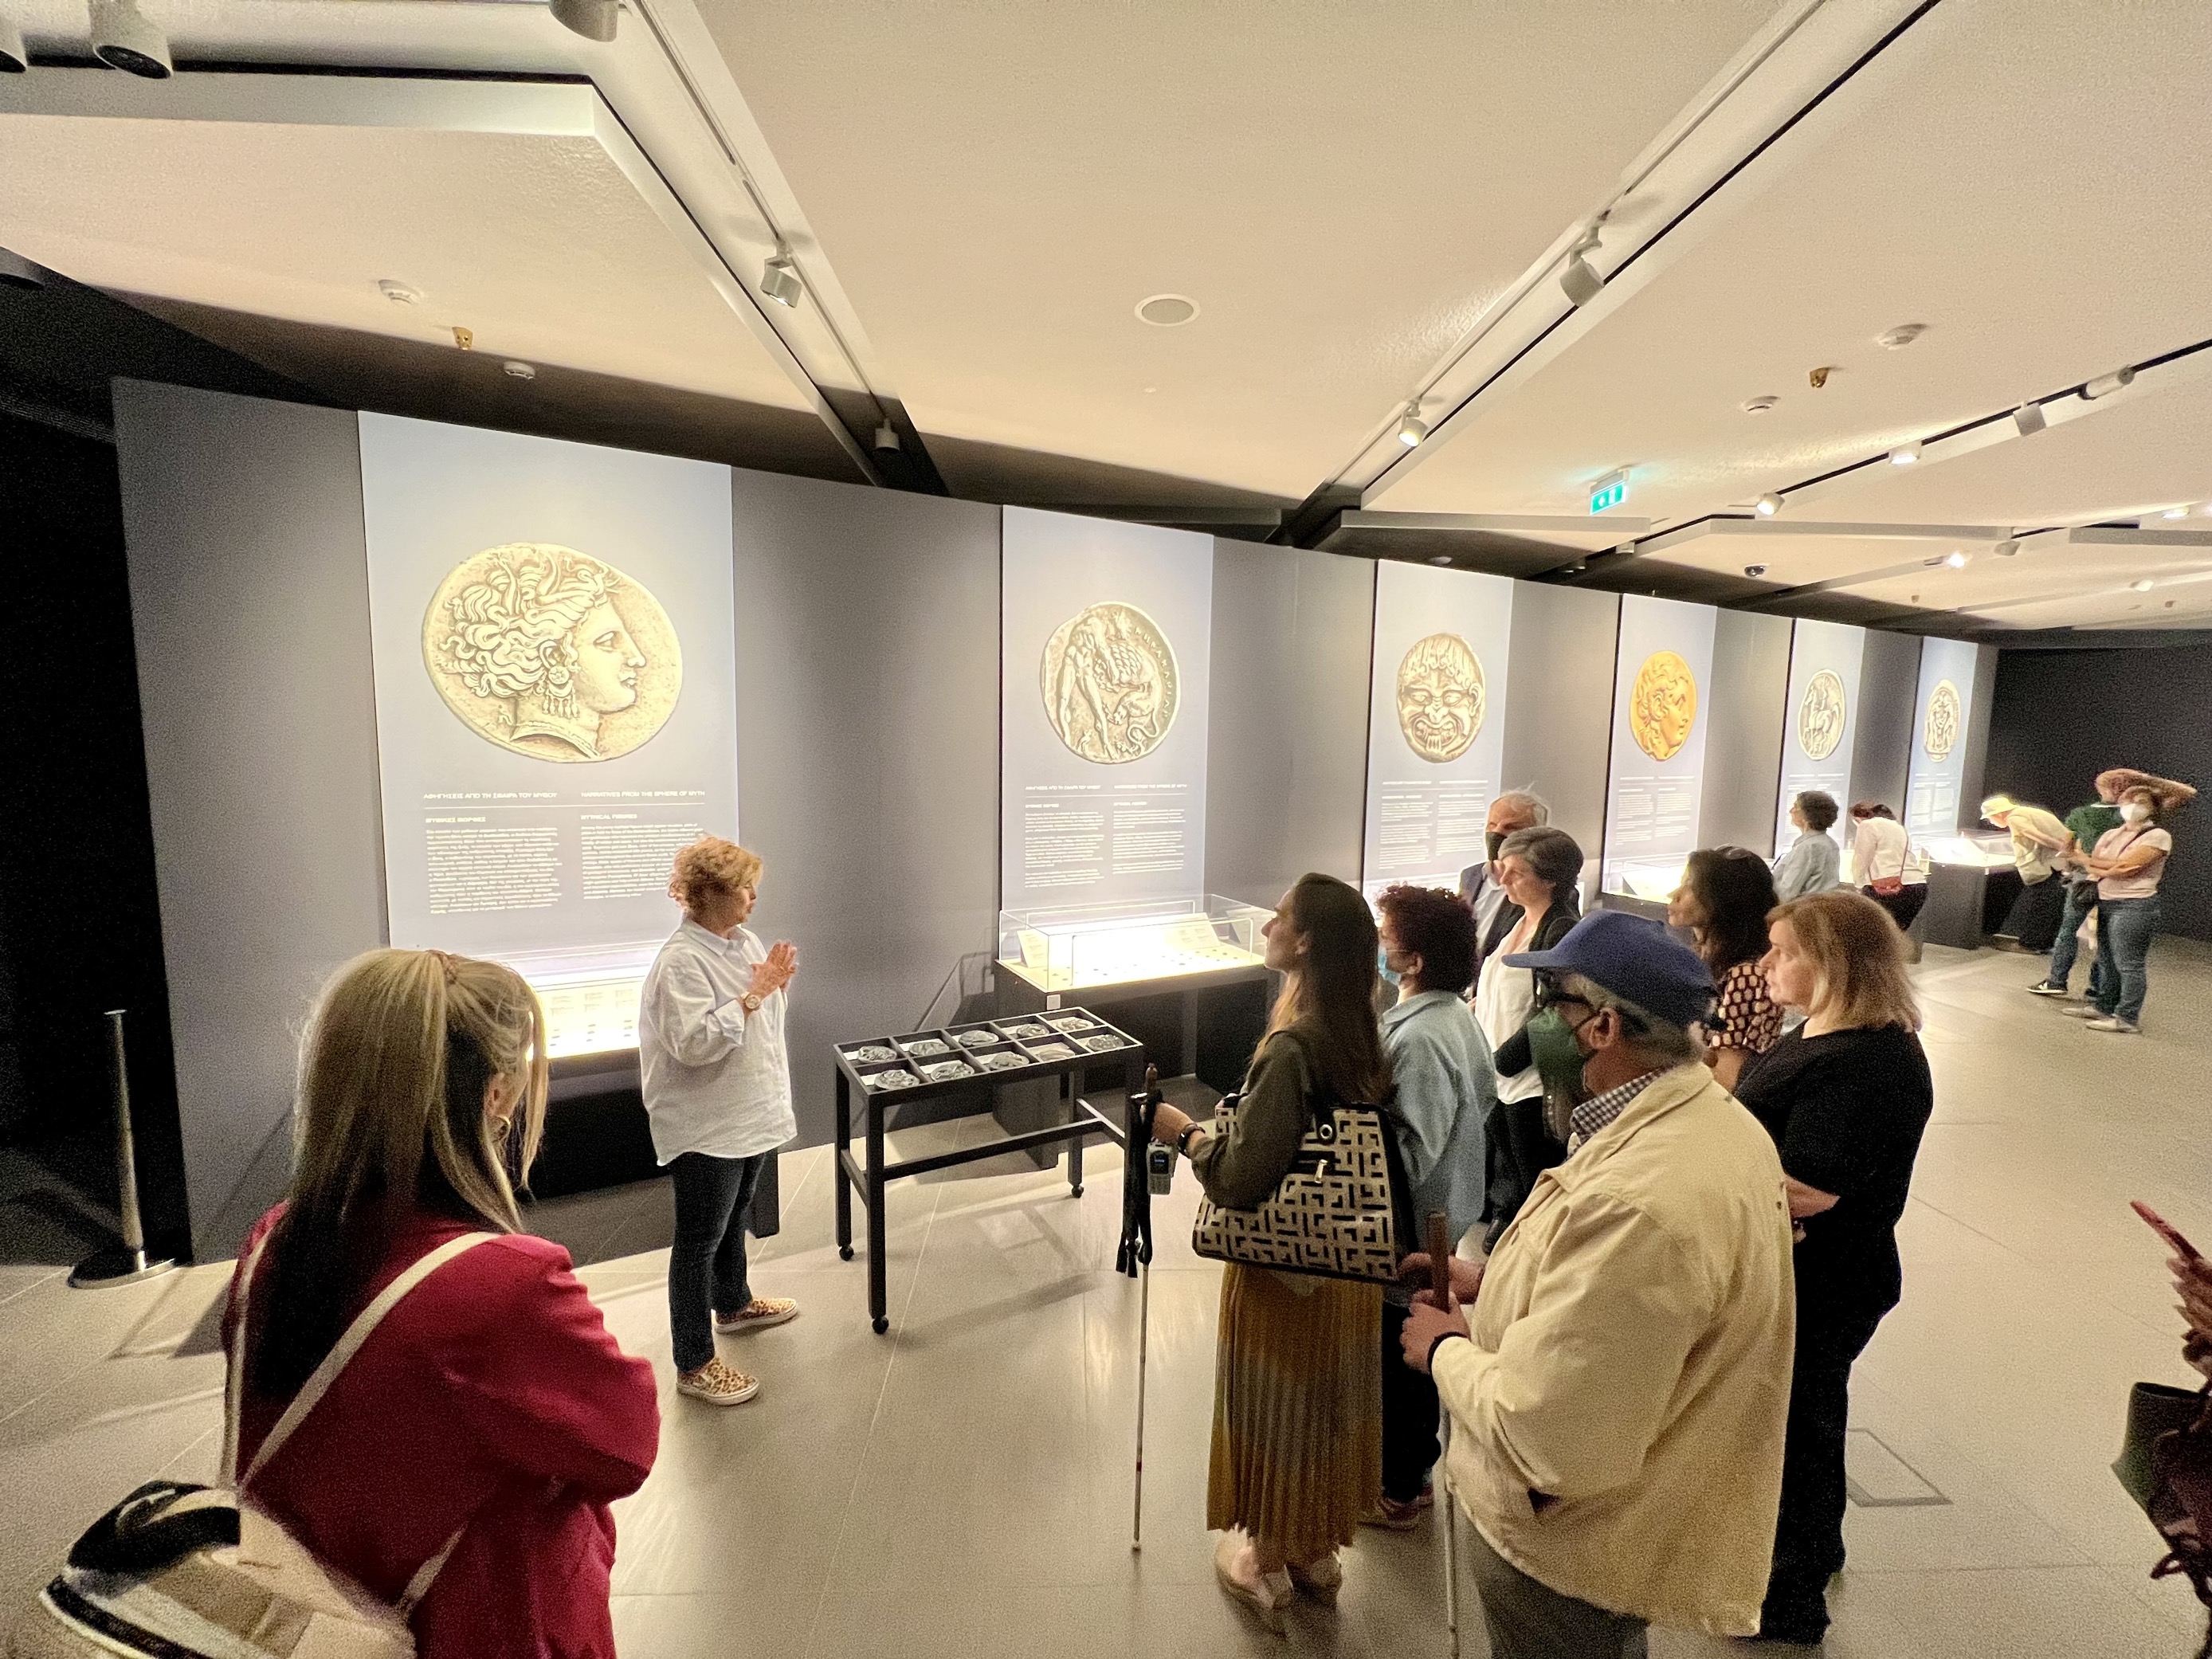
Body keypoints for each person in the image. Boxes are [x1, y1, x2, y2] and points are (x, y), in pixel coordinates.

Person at [222, 949, 659, 1659]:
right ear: (497, 1096)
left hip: (309, 1621)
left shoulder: (272, 1242)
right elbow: (624, 1445)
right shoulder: (505, 1285)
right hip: (476, 1623)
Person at [1398, 911, 1794, 1656]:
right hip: (1629, 1499)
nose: (1540, 1024)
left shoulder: (1640, 1202)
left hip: (1570, 1544)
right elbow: (1619, 1310)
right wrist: (1498, 1280)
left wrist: (1446, 1348)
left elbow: (1547, 1431)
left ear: (1605, 1027)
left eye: (1552, 1005)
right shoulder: (1710, 1121)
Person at [1148, 873, 1390, 1631]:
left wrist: (1186, 1135)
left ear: (1308, 938)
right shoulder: (1362, 1022)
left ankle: (1266, 1559)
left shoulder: (1291, 1044)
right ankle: (1316, 1550)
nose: (1266, 930)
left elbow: (1246, 1175)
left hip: (1285, 1273)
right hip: (1344, 1264)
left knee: (1280, 1408)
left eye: (1279, 919)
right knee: (1329, 1406)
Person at [1735, 890, 1934, 1644]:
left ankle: (1791, 1596)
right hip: (1813, 1275)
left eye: (1784, 951)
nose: (1768, 964)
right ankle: (1808, 1554)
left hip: (1828, 1280)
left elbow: (1812, 1188)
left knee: (1797, 1433)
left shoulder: (1867, 1061)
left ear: (1834, 964)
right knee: (1803, 1423)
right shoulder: (1824, 1035)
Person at [639, 837, 801, 1406]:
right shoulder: (680, 963)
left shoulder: (743, 941)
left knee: (734, 1217)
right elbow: (692, 1043)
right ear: (706, 894)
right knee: (698, 1240)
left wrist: (773, 988)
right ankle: (694, 1361)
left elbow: (761, 1020)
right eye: (742, 888)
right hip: (707, 1124)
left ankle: (731, 1304)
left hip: (747, 1112)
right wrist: (756, 994)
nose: (753, 898)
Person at [1371, 882, 1498, 1528]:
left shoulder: (1419, 1039)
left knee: (1404, 1358)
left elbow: (1409, 1157)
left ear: (1414, 960)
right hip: (1443, 1212)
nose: (1379, 946)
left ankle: (1399, 1486)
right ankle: (1409, 1472)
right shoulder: (1454, 1017)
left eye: (1387, 938)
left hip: (1415, 1226)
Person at [1472, 826, 1583, 1251]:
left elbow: (1555, 1009)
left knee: (1535, 1173)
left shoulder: (1561, 930)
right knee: (1513, 1170)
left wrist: (1505, 1059)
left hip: (1530, 1079)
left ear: (1549, 879)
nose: (1503, 881)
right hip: (1503, 1076)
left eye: (1516, 873)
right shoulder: (1519, 919)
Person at [2034, 769, 2197, 1002]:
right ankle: (2098, 991)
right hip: (2108, 883)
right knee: (2105, 942)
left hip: (2091, 880)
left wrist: (2075, 867)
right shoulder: (2142, 815)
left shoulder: (2083, 814)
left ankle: (2058, 980)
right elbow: (2186, 793)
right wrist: (2144, 779)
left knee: (2072, 931)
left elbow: (2069, 846)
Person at [1667, 846, 1784, 1091]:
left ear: (1724, 901)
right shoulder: (1711, 961)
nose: (1674, 894)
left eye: (1691, 886)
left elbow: (1728, 1079)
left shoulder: (1746, 976)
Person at [2065, 783, 2177, 1033]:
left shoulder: (2158, 836)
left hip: (2135, 905)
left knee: (2129, 963)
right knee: (2106, 960)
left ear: (2154, 809)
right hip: (2106, 901)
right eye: (2128, 800)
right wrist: (2092, 863)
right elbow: (2104, 863)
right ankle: (2104, 1007)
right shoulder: (2113, 834)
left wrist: (2089, 862)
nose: (2133, 806)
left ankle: (2127, 1018)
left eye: (2141, 801)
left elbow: (2127, 868)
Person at [1458, 789, 1551, 971]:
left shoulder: (1541, 886)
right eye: (1491, 825)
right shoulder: (1470, 876)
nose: (1496, 833)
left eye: (1511, 828)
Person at [1979, 794, 2070, 951]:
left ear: (1999, 813)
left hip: (2047, 866)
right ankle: (2044, 944)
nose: (1991, 821)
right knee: (2051, 906)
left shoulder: (2015, 818)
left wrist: (2061, 848)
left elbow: (2037, 836)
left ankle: (2030, 945)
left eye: (1990, 818)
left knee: (2041, 906)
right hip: (2057, 865)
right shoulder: (2029, 812)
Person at [1848, 802, 1928, 936]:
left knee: (1874, 938)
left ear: (1859, 818)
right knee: (1894, 937)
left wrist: (1859, 884)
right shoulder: (1898, 827)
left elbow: (1862, 858)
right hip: (1916, 886)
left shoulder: (1867, 825)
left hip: (1885, 890)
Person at [1771, 791, 1844, 902]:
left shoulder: (1808, 847)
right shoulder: (1829, 843)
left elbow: (1787, 892)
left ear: (1808, 814)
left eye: (1796, 807)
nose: (1791, 811)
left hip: (1801, 911)